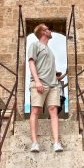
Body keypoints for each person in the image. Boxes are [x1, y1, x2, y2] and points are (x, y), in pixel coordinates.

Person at [28, 23, 63, 153]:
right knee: (35, 110)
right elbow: (31, 63)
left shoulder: (50, 50)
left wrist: (58, 78)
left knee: (53, 110)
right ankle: (35, 143)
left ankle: (56, 143)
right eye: (48, 29)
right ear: (43, 32)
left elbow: (48, 69)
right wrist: (37, 81)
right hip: (39, 83)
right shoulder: (35, 45)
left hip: (53, 85)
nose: (50, 30)